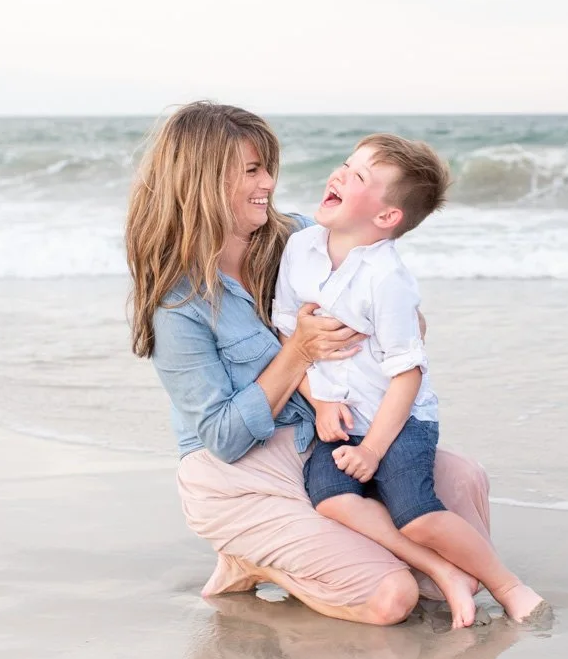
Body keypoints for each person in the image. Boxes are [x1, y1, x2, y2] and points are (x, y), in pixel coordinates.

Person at [125, 102, 496, 626]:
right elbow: (223, 437)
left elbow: (404, 324)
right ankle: (253, 557)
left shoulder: (300, 238)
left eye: (268, 167)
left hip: (322, 438)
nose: (270, 183)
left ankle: (365, 550)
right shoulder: (178, 304)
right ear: (204, 181)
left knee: (465, 480)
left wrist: (397, 324)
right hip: (235, 471)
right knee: (392, 598)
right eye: (252, 170)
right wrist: (297, 349)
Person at [273, 134, 548, 628]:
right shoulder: (300, 248)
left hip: (397, 419)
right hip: (338, 415)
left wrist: (374, 450)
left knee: (415, 512)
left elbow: (407, 374)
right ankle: (445, 571)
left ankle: (508, 585)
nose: (337, 175)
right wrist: (318, 403)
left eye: (357, 176)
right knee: (331, 498)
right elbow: (288, 331)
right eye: (343, 164)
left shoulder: (387, 278)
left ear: (386, 217)